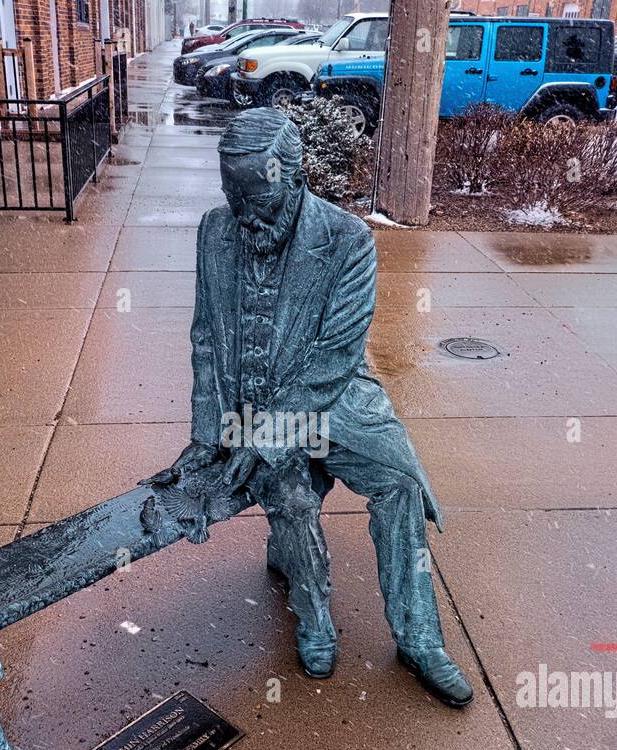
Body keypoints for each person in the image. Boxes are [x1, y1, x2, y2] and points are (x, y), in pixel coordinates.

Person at [145, 109, 474, 707]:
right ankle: (315, 617)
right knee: (292, 498)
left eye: (259, 203)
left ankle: (419, 636)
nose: (245, 218)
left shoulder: (349, 240)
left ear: (294, 180)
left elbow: (334, 357)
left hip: (334, 403)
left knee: (399, 485)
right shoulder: (214, 230)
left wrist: (266, 437)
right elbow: (204, 338)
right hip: (249, 408)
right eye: (233, 199)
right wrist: (206, 435)